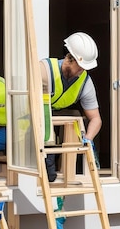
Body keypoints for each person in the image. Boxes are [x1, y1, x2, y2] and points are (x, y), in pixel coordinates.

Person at [40, 32, 102, 181]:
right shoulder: (44, 70)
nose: (81, 72)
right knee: (45, 170)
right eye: (79, 67)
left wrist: (88, 139)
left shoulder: (85, 82)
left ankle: (67, 175)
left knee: (74, 116)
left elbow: (95, 119)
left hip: (55, 118)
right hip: (37, 118)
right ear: (69, 58)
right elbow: (31, 107)